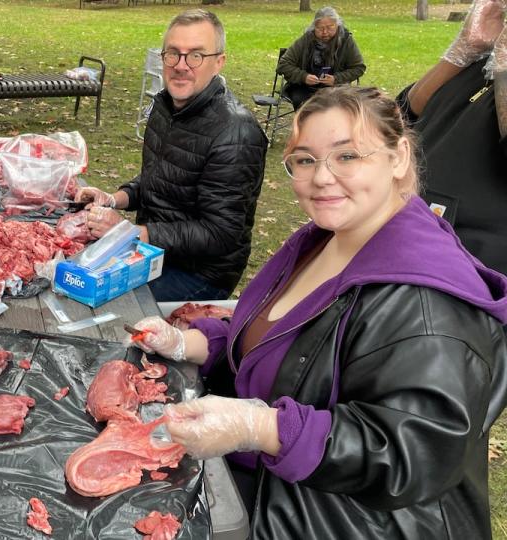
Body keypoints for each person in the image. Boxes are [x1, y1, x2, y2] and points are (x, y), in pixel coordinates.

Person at [129, 86, 507, 538]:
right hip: (266, 488)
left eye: (348, 156)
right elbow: (283, 346)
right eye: (305, 160)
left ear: (399, 157)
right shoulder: (323, 239)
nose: (322, 177)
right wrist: (192, 342)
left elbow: (413, 453)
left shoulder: (426, 302)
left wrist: (260, 426)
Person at [75, 10, 267, 302]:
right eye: (173, 54)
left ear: (219, 62)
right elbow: (160, 179)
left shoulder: (237, 133)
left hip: (197, 274)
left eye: (195, 56)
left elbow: (220, 233)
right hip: (150, 252)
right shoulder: (166, 106)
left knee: (96, 305)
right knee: (68, 269)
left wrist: (130, 232)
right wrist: (113, 198)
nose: (181, 65)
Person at [397, 0, 507, 276]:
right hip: (409, 243)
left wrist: (504, 70)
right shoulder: (485, 58)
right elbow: (404, 114)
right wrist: (462, 52)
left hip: (471, 275)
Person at [276, 6, 366, 110]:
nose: (325, 32)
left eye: (330, 27)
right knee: (304, 103)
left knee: (336, 104)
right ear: (314, 27)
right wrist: (303, 77)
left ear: (337, 25)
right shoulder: (306, 39)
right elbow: (283, 65)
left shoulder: (346, 41)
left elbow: (358, 68)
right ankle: (307, 125)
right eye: (320, 28)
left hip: (336, 88)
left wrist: (336, 79)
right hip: (303, 87)